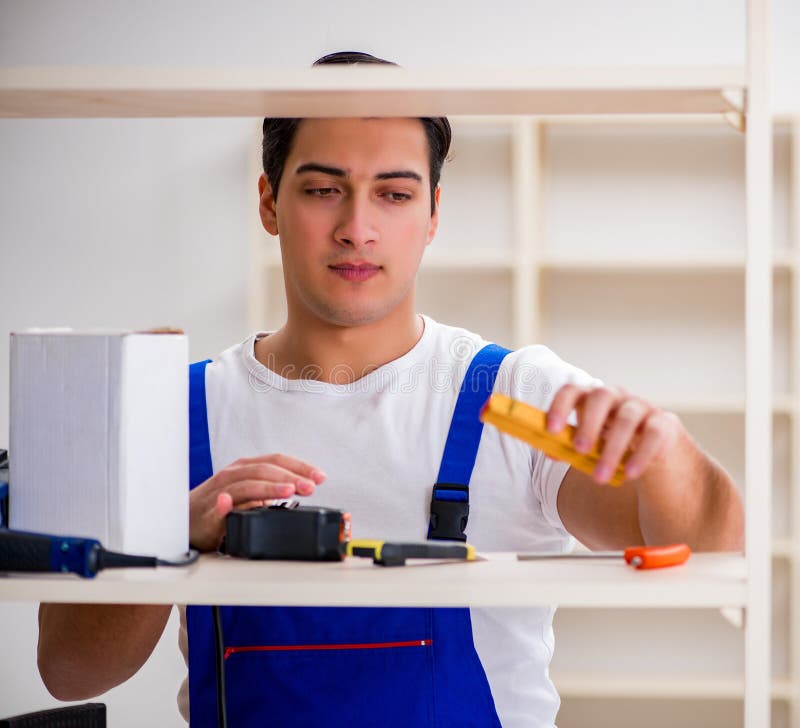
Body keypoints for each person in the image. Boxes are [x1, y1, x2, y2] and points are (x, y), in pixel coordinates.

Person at [37, 51, 743, 728]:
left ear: (433, 211)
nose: (357, 229)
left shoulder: (518, 397)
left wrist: (667, 453)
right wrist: (167, 537)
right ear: (268, 202)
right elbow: (69, 672)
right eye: (322, 190)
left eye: (394, 194)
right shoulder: (167, 411)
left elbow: (712, 545)